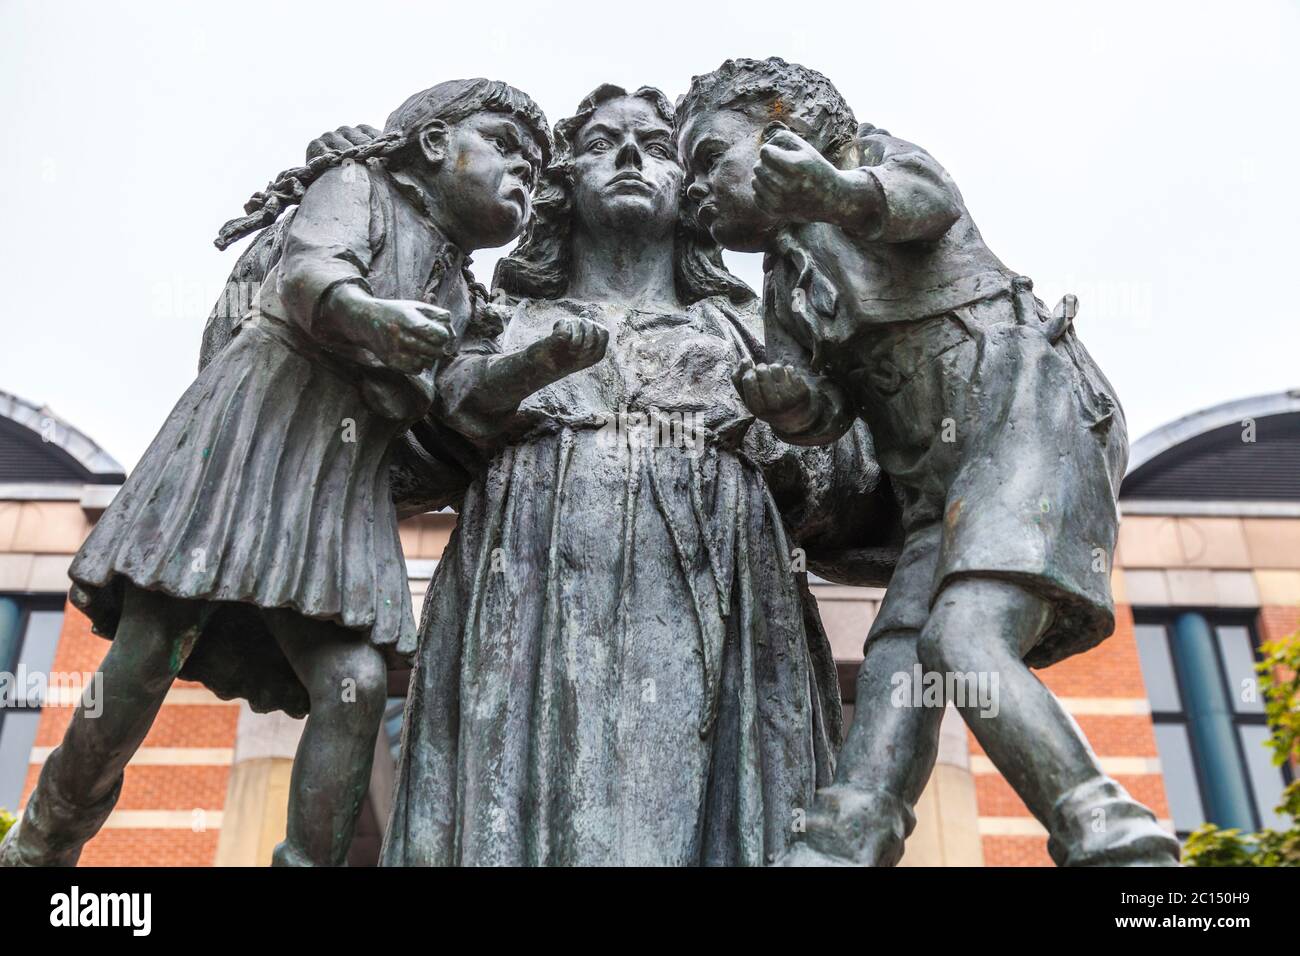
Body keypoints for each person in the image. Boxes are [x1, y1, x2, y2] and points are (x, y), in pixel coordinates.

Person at [0, 79, 552, 868]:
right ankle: (44, 841)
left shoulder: (462, 293)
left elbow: (461, 398)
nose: (523, 174)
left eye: (535, 172)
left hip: (339, 490)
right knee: (147, 656)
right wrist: (371, 318)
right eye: (506, 146)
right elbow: (306, 276)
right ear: (434, 144)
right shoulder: (356, 186)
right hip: (253, 444)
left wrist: (537, 363)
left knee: (357, 681)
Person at [677, 56, 1179, 866]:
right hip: (932, 486)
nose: (695, 191)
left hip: (1023, 417)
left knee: (963, 636)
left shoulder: (866, 158)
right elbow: (830, 410)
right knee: (899, 654)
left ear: (781, 126)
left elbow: (923, 207)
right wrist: (795, 404)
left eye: (707, 158)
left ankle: (1111, 832)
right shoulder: (782, 283)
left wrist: (832, 193)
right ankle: (846, 836)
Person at [380, 84, 898, 866]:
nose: (628, 157)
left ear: (695, 191)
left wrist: (788, 437)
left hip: (731, 604)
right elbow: (395, 455)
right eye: (599, 144)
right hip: (527, 609)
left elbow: (860, 485)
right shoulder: (495, 325)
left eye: (657, 147)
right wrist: (363, 203)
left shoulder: (755, 328)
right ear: (558, 188)